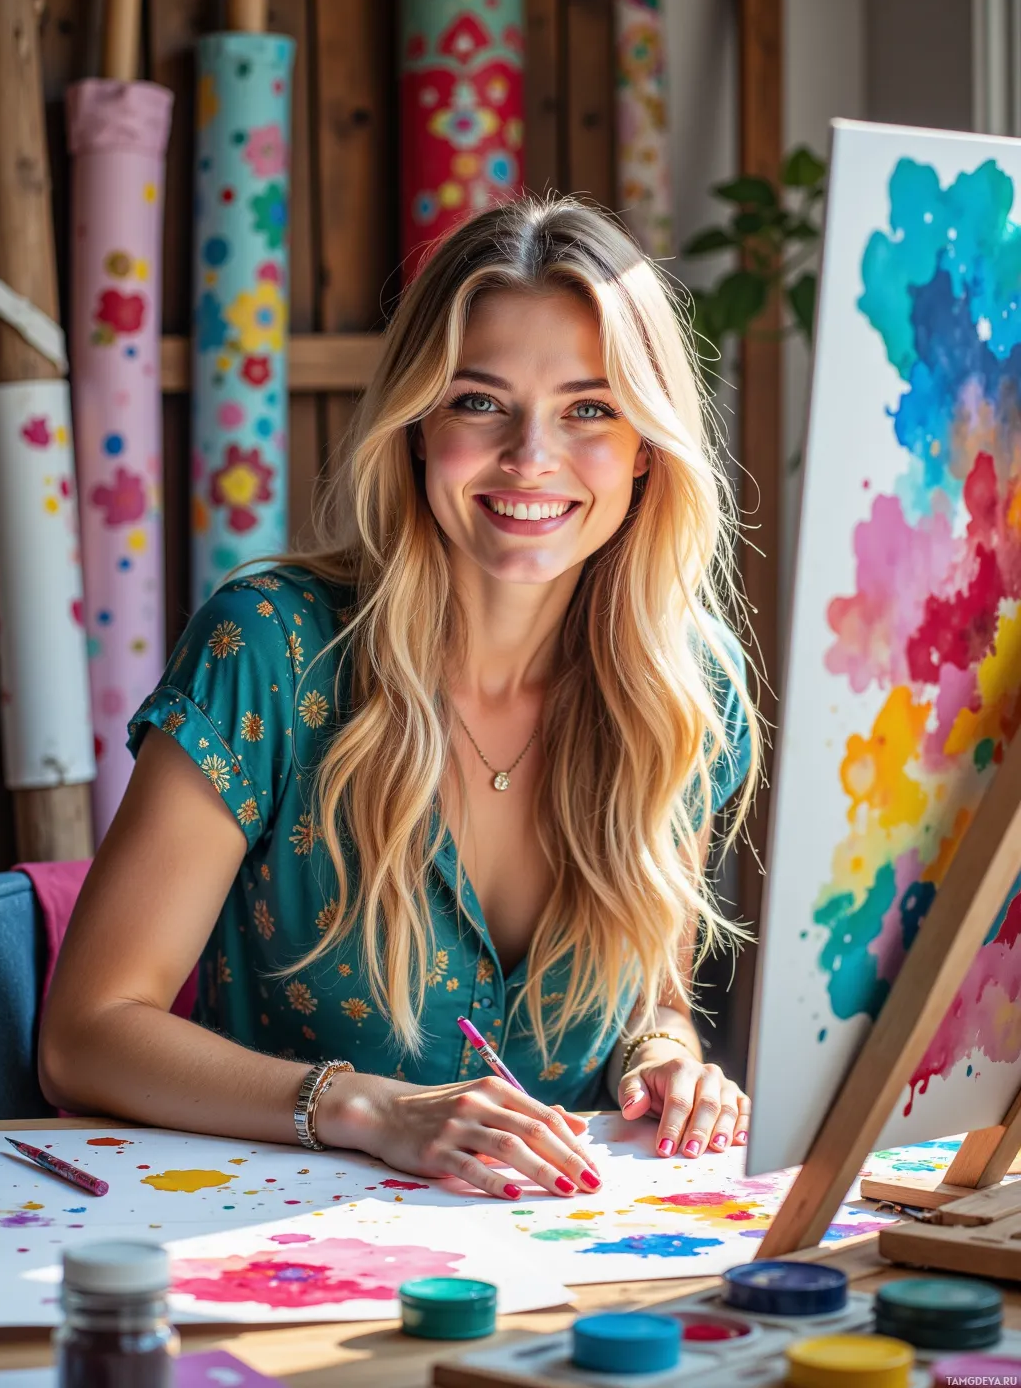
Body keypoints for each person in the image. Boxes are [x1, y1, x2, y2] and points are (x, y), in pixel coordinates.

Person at [39, 195, 759, 1202]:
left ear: (647, 445)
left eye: (589, 408)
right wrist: (370, 1110)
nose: (530, 456)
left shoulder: (687, 686)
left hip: (574, 1264)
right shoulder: (271, 648)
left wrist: (662, 1059)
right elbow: (87, 1034)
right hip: (276, 1257)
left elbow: (654, 1000)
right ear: (417, 425)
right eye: (478, 400)